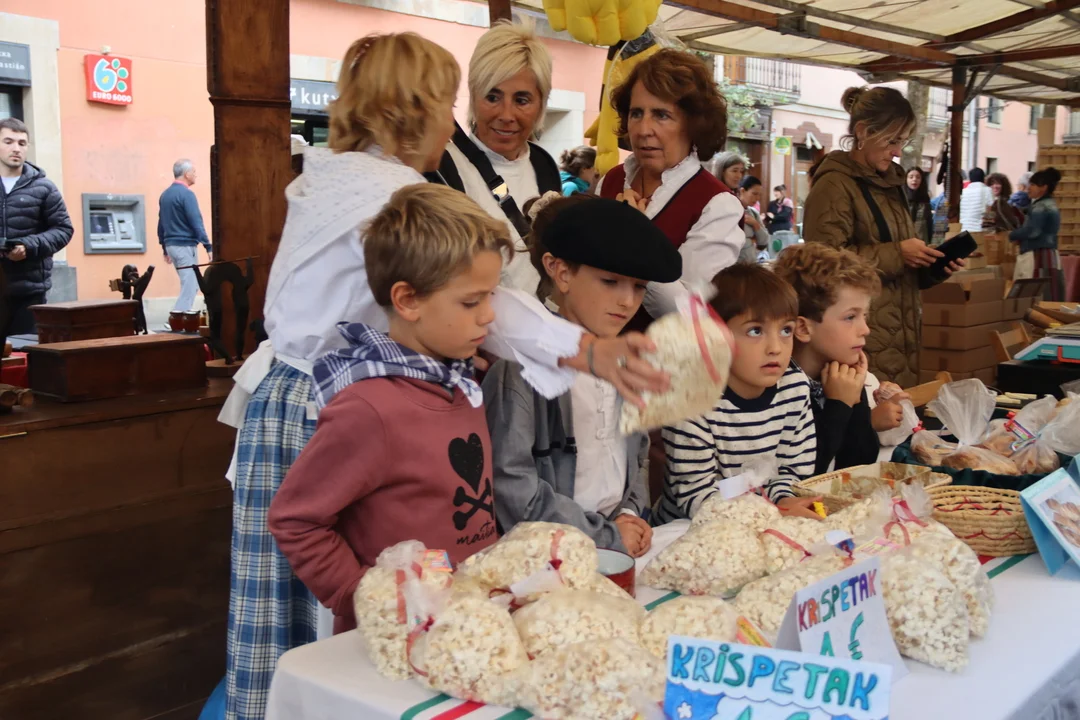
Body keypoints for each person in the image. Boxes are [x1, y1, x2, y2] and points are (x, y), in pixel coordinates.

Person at [223, 36, 670, 720]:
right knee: (334, 627)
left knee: (286, 609)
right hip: (330, 408)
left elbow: (471, 301)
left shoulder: (334, 178)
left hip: (292, 400)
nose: (454, 122)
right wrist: (583, 349)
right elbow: (487, 302)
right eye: (448, 103)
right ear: (415, 108)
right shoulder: (389, 197)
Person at [268, 183, 508, 633]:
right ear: (408, 300)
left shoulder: (463, 384)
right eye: (471, 301)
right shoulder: (368, 409)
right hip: (396, 641)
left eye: (491, 296)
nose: (489, 315)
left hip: (470, 629)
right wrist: (367, 597)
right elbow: (296, 519)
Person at [484, 194, 681, 558]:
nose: (627, 301)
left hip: (618, 543)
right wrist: (604, 535)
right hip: (544, 559)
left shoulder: (625, 360)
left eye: (639, 287)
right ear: (560, 272)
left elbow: (636, 456)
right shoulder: (519, 368)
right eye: (610, 281)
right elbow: (512, 487)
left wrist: (628, 513)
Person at [801, 85, 960, 388]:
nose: (898, 152)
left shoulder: (890, 185)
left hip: (899, 340)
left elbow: (897, 269)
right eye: (892, 140)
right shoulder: (834, 185)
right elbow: (822, 265)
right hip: (859, 343)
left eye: (903, 141)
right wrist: (898, 253)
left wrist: (932, 267)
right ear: (863, 132)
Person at [655, 263, 819, 523]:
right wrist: (771, 513)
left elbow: (793, 470)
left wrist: (785, 500)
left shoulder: (795, 388)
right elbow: (697, 496)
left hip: (768, 517)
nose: (775, 348)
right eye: (755, 331)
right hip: (691, 529)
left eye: (785, 330)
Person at [598, 48, 744, 317]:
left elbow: (689, 313)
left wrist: (637, 242)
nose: (643, 130)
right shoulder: (611, 180)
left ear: (694, 124)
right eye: (636, 113)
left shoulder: (717, 205)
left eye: (661, 115)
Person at [428, 22, 561, 293]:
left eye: (521, 100)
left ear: (541, 104)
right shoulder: (441, 167)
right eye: (492, 97)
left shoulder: (544, 164)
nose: (506, 115)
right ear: (473, 97)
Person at [774, 243, 911, 474]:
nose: (865, 329)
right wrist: (839, 404)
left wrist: (855, 400)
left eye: (865, 316)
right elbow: (805, 474)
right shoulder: (781, 388)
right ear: (803, 328)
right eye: (850, 317)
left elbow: (859, 463)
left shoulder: (842, 372)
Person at [0, 117, 73, 350]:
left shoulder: (43, 187)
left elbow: (63, 229)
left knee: (26, 356)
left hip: (29, 292)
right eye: (8, 141)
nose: (16, 148)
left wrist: (29, 246)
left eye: (21, 143)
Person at [158, 159, 212, 313]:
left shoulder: (165, 195)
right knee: (191, 285)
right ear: (187, 174)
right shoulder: (187, 195)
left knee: (189, 283)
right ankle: (177, 318)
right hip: (185, 246)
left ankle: (179, 318)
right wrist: (208, 246)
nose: (195, 175)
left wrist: (164, 248)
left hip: (172, 246)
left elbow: (161, 223)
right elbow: (196, 222)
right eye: (194, 172)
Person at [1010, 167, 1063, 300]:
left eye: (1033, 185)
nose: (1029, 188)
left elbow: (1033, 231)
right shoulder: (1048, 203)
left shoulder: (1041, 206)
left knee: (1036, 296)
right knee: (1049, 294)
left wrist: (1011, 235)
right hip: (1048, 253)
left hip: (1039, 254)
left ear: (1043, 187)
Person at [738, 175, 769, 262]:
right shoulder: (732, 211)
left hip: (752, 263)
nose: (757, 198)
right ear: (742, 191)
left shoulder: (754, 213)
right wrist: (751, 241)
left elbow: (764, 241)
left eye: (759, 195)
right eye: (754, 194)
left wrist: (755, 224)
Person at [959, 167, 993, 234]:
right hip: (979, 230)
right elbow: (991, 209)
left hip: (963, 229)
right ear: (984, 178)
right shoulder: (988, 190)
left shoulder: (963, 192)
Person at [905, 167, 933, 243]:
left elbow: (929, 221)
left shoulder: (925, 198)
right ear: (906, 179)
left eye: (918, 177)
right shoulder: (901, 197)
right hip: (905, 240)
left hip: (922, 239)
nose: (914, 179)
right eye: (911, 177)